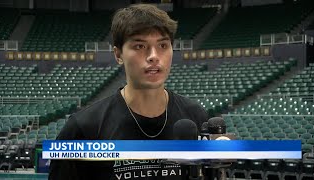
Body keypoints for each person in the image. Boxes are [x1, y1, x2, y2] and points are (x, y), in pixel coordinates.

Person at [49, 3, 208, 180]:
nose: (153, 56)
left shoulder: (196, 117)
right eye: (140, 46)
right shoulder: (83, 127)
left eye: (163, 45)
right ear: (118, 55)